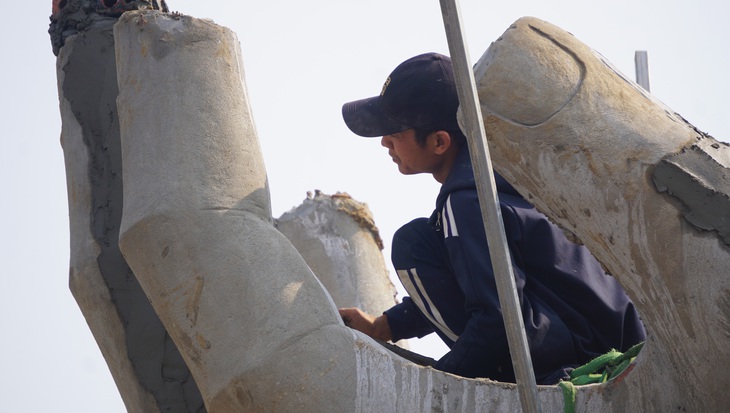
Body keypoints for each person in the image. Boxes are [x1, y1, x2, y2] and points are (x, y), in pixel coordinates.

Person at [338, 52, 645, 385]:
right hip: (610, 339)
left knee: (413, 244)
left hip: (574, 362)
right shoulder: (512, 174)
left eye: (395, 132)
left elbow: (498, 318)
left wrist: (439, 385)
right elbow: (471, 281)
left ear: (439, 141)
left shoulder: (468, 199)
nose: (385, 142)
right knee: (430, 241)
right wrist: (382, 327)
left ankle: (509, 376)